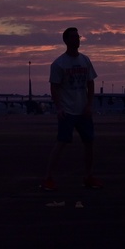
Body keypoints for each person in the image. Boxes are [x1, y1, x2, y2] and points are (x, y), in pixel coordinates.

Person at [41, 27, 102, 191]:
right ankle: (48, 177)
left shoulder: (85, 60)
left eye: (78, 36)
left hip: (83, 111)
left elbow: (90, 83)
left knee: (89, 143)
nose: (77, 39)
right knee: (61, 143)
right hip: (67, 111)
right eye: (74, 37)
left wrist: (89, 104)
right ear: (66, 41)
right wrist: (59, 107)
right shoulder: (59, 64)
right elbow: (54, 87)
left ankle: (88, 176)